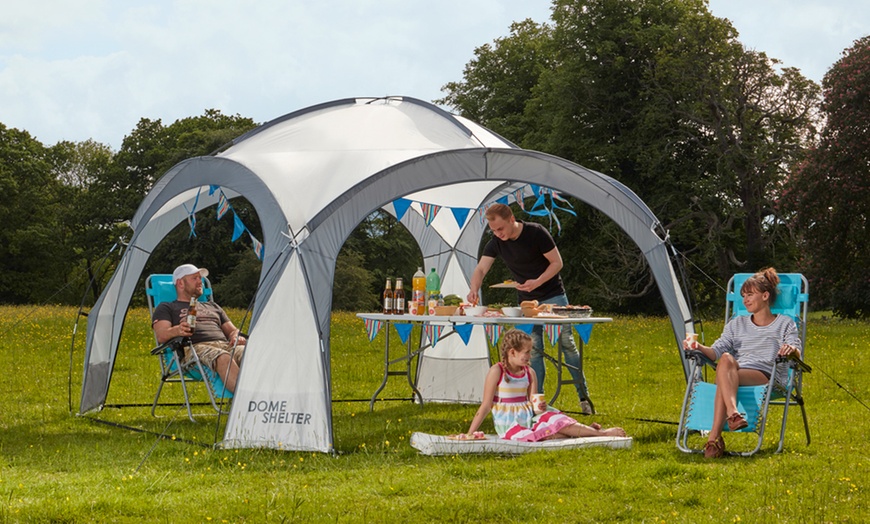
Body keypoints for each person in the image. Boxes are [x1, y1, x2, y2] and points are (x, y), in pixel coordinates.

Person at [467, 203, 594, 414]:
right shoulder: (496, 243)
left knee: (567, 344)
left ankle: (583, 396)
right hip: (526, 303)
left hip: (553, 296)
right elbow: (481, 268)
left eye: (501, 229)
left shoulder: (536, 232)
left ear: (511, 219)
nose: (498, 234)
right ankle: (538, 405)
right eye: (494, 231)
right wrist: (473, 289)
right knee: (532, 352)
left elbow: (557, 263)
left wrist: (537, 282)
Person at [683, 267, 801, 458]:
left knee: (724, 378)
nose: (745, 299)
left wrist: (791, 350)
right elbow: (715, 352)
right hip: (735, 372)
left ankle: (714, 439)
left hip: (765, 375)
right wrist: (697, 346)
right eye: (743, 295)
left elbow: (795, 348)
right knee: (726, 358)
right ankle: (733, 415)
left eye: (750, 294)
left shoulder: (785, 323)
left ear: (765, 295)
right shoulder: (736, 324)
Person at [463, 329, 626, 440]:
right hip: (510, 423)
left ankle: (597, 433)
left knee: (555, 421)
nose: (529, 356)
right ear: (512, 352)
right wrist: (470, 433)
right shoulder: (496, 371)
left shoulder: (530, 372)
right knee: (546, 435)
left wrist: (540, 406)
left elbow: (535, 406)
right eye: (526, 352)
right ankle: (589, 432)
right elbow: (485, 405)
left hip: (529, 417)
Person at [152, 264, 247, 393]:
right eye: (195, 278)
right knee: (223, 357)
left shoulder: (213, 306)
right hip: (195, 348)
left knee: (250, 353)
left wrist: (235, 336)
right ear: (180, 283)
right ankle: (244, 402)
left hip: (225, 345)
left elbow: (232, 330)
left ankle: (270, 397)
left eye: (200, 278)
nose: (200, 281)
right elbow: (161, 335)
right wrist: (177, 330)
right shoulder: (167, 307)